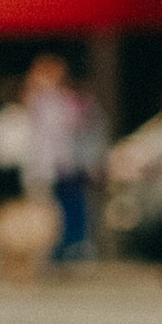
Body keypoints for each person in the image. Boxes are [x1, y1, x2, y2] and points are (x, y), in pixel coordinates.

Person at [19, 52, 105, 263]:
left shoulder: (68, 101)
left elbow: (82, 131)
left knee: (72, 209)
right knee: (50, 211)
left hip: (68, 167)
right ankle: (52, 250)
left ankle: (71, 249)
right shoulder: (41, 102)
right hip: (48, 168)